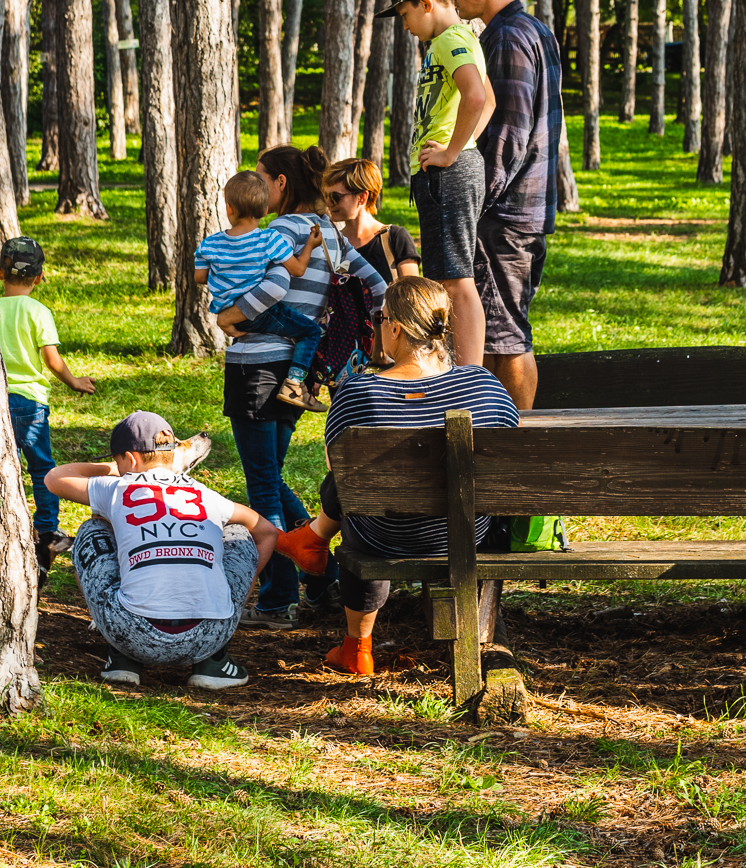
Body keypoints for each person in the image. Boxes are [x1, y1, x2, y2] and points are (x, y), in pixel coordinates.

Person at [274, 278, 520, 674]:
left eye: (380, 318)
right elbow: (510, 460)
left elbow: (340, 473)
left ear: (397, 329)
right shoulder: (483, 385)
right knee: (363, 497)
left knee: (357, 501)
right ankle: (313, 541)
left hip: (386, 537)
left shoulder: (357, 392)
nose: (377, 326)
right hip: (468, 532)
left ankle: (358, 647)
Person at [213, 144, 388, 628]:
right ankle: (319, 570)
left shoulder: (278, 233)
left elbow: (263, 292)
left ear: (281, 184)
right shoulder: (331, 234)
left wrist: (230, 315)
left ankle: (276, 599)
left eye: (263, 179)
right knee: (270, 477)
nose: (259, 188)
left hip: (254, 365)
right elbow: (378, 287)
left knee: (262, 483)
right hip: (297, 373)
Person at [45, 411, 275, 691]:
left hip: (131, 634)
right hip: (210, 635)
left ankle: (122, 659)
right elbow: (267, 532)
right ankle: (214, 662)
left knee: (92, 529)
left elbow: (55, 478)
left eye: (119, 460)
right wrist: (235, 594)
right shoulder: (207, 495)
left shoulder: (117, 487)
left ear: (129, 459)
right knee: (239, 531)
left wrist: (115, 468)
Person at [444, 0, 563, 411]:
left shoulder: (508, 38)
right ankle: (499, 439)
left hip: (508, 214)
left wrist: (476, 202)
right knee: (497, 332)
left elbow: (509, 134)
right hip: (525, 209)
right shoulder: (534, 29)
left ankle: (519, 445)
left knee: (507, 334)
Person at [375, 0, 495, 368]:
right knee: (451, 278)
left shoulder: (449, 39)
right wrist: (461, 146)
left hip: (448, 174)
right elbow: (489, 101)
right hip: (448, 172)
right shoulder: (458, 39)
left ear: (425, 3)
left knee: (455, 283)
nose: (405, 25)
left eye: (406, 14)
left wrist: (450, 152)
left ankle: (467, 381)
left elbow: (476, 98)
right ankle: (462, 375)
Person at [0, 235, 95, 575]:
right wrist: (74, 381)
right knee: (42, 468)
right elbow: (52, 360)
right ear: (40, 276)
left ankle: (3, 522)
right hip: (32, 404)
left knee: (4, 468)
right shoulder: (38, 311)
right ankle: (47, 530)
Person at [195, 170, 324, 410]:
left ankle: (229, 323)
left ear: (229, 208)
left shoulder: (209, 243)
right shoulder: (269, 239)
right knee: (310, 332)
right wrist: (310, 245)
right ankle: (294, 384)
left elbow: (199, 277)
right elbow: (297, 270)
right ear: (265, 211)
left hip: (227, 310)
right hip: (260, 313)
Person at [320, 156, 420, 288]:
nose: (328, 203)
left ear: (362, 197)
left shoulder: (395, 238)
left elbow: (413, 294)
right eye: (325, 195)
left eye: (335, 197)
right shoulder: (332, 243)